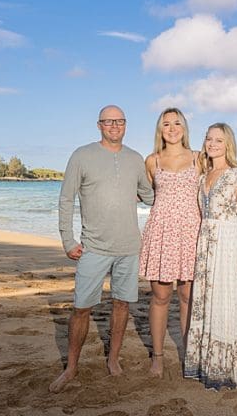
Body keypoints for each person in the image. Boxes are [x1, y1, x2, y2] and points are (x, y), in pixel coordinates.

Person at [49, 105, 154, 393]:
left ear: (126, 124)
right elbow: (66, 199)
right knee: (81, 308)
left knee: (122, 304)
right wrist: (68, 240)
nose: (114, 126)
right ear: (99, 125)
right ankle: (71, 367)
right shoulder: (81, 155)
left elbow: (150, 196)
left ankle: (113, 359)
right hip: (93, 247)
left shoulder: (135, 159)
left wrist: (174, 180)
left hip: (129, 247)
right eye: (109, 122)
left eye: (119, 121)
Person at [183, 122, 237, 390]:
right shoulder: (203, 176)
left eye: (219, 140)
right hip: (206, 244)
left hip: (228, 245)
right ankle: (205, 362)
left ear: (228, 145)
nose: (212, 144)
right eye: (209, 139)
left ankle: (226, 366)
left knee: (224, 300)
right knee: (205, 300)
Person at [139, 108, 201, 377]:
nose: (172, 128)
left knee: (188, 297)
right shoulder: (152, 161)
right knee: (161, 297)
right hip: (161, 233)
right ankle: (158, 356)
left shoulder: (199, 158)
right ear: (160, 130)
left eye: (177, 123)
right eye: (166, 124)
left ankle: (188, 354)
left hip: (191, 234)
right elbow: (144, 194)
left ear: (184, 128)